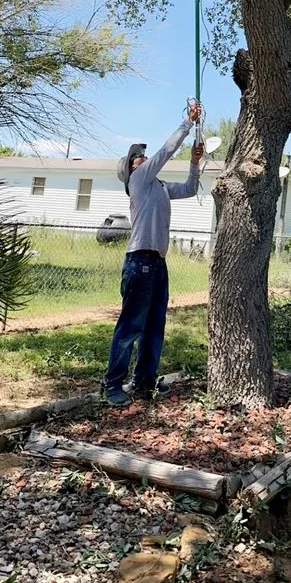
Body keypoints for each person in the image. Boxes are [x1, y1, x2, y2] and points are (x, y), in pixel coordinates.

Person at [103, 104, 203, 407]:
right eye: (138, 155)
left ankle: (144, 383)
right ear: (133, 166)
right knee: (131, 326)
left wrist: (195, 162)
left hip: (157, 263)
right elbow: (164, 153)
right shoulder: (139, 181)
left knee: (154, 326)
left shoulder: (157, 186)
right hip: (140, 261)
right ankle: (112, 386)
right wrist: (187, 123)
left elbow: (188, 188)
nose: (144, 156)